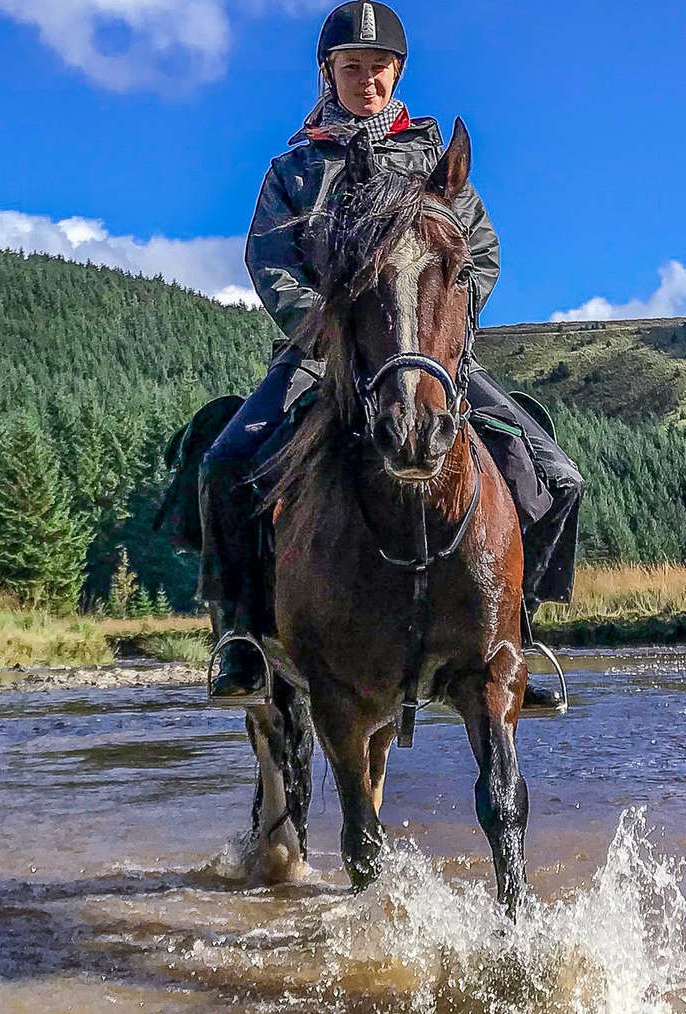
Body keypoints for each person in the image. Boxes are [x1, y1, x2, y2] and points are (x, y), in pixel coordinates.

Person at [200, 0, 583, 705]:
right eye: (353, 68)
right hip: (322, 353)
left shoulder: (437, 163)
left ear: (396, 72)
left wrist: (442, 327)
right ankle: (241, 637)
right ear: (329, 73)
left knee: (559, 476)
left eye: (378, 68)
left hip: (427, 356)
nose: (366, 80)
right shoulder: (295, 167)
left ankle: (517, 635)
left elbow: (483, 253)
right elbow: (269, 258)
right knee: (224, 462)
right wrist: (317, 321)